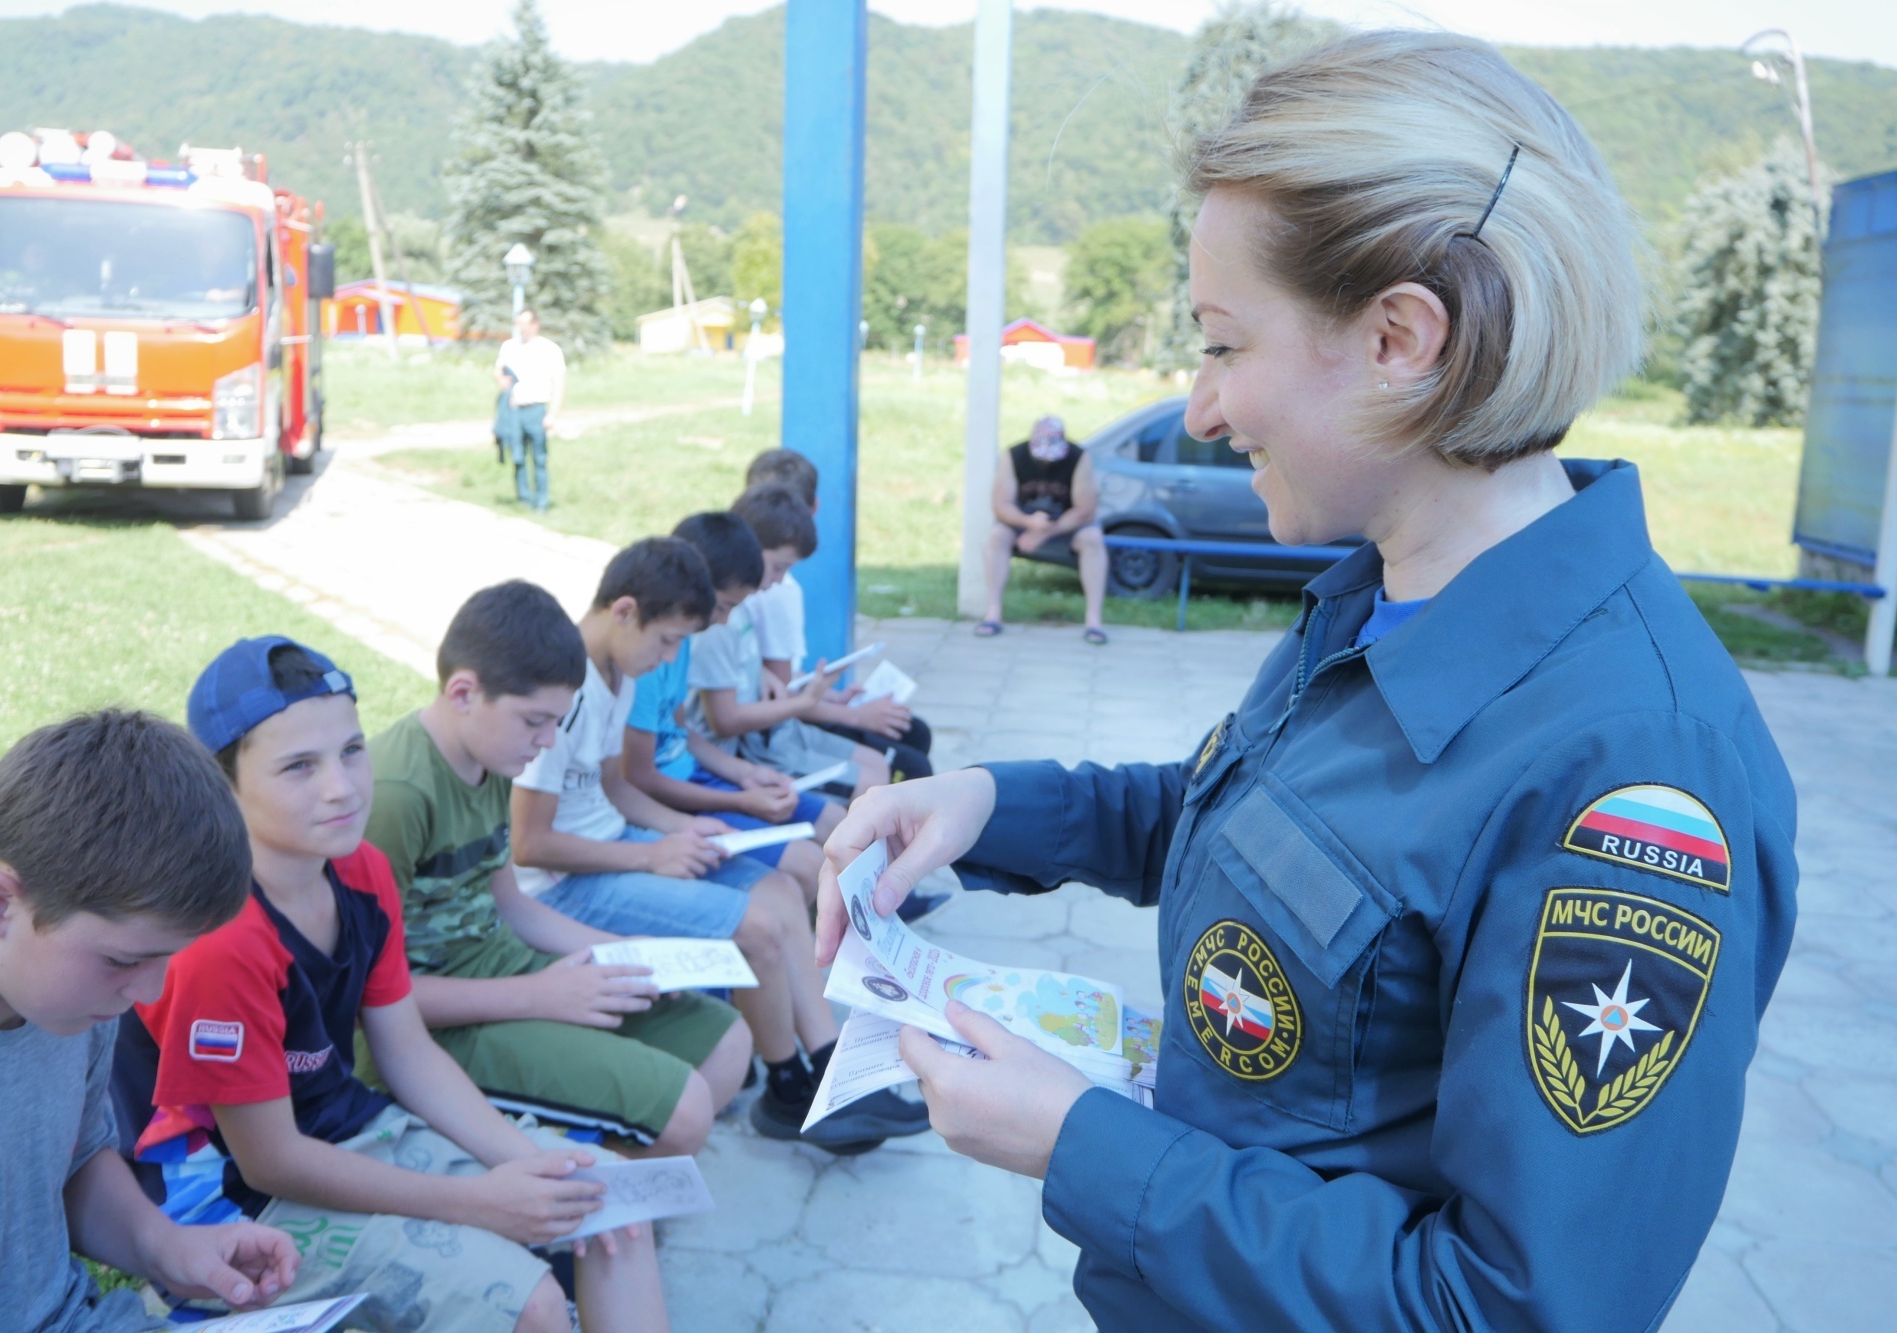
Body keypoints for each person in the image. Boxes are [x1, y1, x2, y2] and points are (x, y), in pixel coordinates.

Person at [814, 30, 1796, 1333]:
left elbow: (1510, 1308)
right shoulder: (1384, 590)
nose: (1204, 408)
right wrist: (990, 802)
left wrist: (1086, 1147)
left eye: (1224, 346)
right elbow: (1244, 827)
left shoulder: (1633, 774)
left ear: (1399, 338)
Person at [113, 636, 668, 1333]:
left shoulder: (362, 869)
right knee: (533, 1304)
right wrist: (477, 1201)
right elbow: (272, 1159)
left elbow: (407, 1050)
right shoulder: (222, 938)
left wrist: (523, 1162)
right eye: (298, 766)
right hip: (229, 1195)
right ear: (223, 783)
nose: (342, 786)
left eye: (351, 749)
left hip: (341, 1122)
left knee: (611, 1205)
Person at [509, 538, 927, 1150]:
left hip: (617, 844)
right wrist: (650, 853)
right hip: (568, 884)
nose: (672, 656)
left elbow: (615, 788)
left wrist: (681, 829)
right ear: (624, 611)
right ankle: (788, 1092)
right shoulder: (562, 693)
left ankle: (830, 1069)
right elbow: (530, 844)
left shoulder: (614, 671)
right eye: (668, 640)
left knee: (782, 890)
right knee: (756, 925)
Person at [0, 710, 301, 1332]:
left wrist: (167, 1248)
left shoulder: (67, 1005)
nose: (150, 991)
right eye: (124, 959)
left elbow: (76, 1162)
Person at [363, 580, 750, 1157]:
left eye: (556, 723)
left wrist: (620, 951)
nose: (546, 743)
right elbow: (374, 999)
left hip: (507, 970)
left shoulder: (491, 753)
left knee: (726, 1039)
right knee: (685, 1108)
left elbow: (512, 904)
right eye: (534, 721)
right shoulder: (395, 795)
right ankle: (582, 1207)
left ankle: (595, 1195)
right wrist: (541, 996)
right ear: (463, 693)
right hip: (432, 1027)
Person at [623, 512, 843, 904]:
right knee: (805, 868)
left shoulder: (681, 641)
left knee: (835, 823)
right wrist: (739, 800)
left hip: (698, 778)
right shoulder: (647, 658)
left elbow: (680, 731)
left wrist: (747, 775)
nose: (723, 619)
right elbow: (642, 779)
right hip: (672, 797)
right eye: (722, 607)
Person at [691, 486, 897, 795]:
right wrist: (807, 702)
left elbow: (746, 673)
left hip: (773, 733)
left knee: (878, 766)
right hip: (751, 748)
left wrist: (808, 690)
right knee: (871, 785)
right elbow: (725, 719)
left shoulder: (740, 609)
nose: (777, 579)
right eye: (777, 567)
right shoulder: (721, 618)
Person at [741, 449, 937, 770]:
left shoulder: (767, 581)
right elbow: (777, 700)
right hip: (775, 731)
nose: (775, 577)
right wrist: (856, 716)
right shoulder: (774, 591)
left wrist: (824, 693)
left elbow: (779, 679)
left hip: (787, 714)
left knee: (913, 733)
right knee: (911, 761)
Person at [977, 414, 1108, 644]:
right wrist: (1028, 523)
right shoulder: (1014, 455)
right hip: (1023, 523)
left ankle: (1093, 620)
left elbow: (1086, 510)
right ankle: (993, 613)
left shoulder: (1079, 457)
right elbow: (1000, 505)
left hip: (1066, 525)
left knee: (1093, 538)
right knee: (997, 535)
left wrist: (1045, 531)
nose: (1047, 461)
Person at [494, 309, 566, 511]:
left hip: (536, 409)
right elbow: (498, 371)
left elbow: (559, 383)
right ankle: (523, 499)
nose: (521, 328)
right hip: (514, 410)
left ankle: (541, 502)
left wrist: (553, 414)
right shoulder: (509, 347)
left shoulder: (549, 349)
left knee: (539, 458)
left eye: (524, 324)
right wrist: (500, 380)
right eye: (518, 324)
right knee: (517, 456)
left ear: (535, 324)